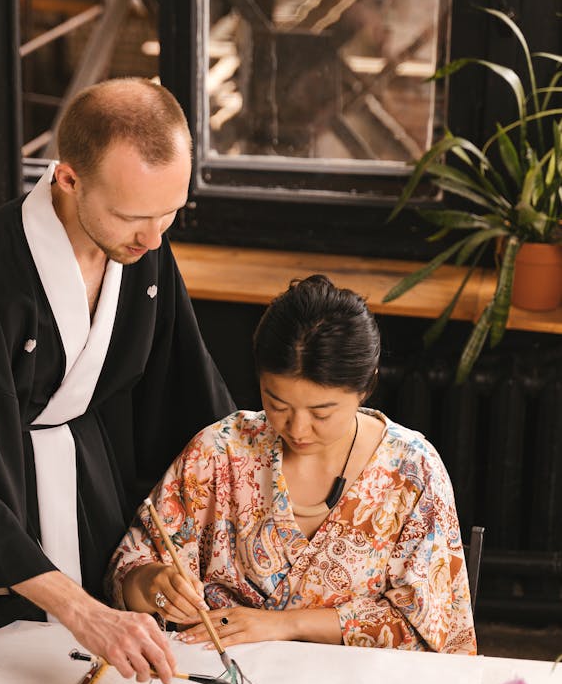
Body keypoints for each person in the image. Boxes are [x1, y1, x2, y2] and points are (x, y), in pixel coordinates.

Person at [0, 78, 235, 681]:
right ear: (68, 178)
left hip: (86, 476)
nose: (153, 239)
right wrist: (84, 612)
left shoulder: (144, 246)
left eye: (170, 214)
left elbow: (190, 388)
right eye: (132, 216)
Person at [108, 275, 477, 654]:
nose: (297, 429)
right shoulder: (220, 451)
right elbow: (129, 573)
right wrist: (153, 583)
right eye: (278, 404)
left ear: (367, 386)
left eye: (322, 412)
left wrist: (284, 625)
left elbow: (428, 624)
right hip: (217, 676)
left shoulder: (412, 470)